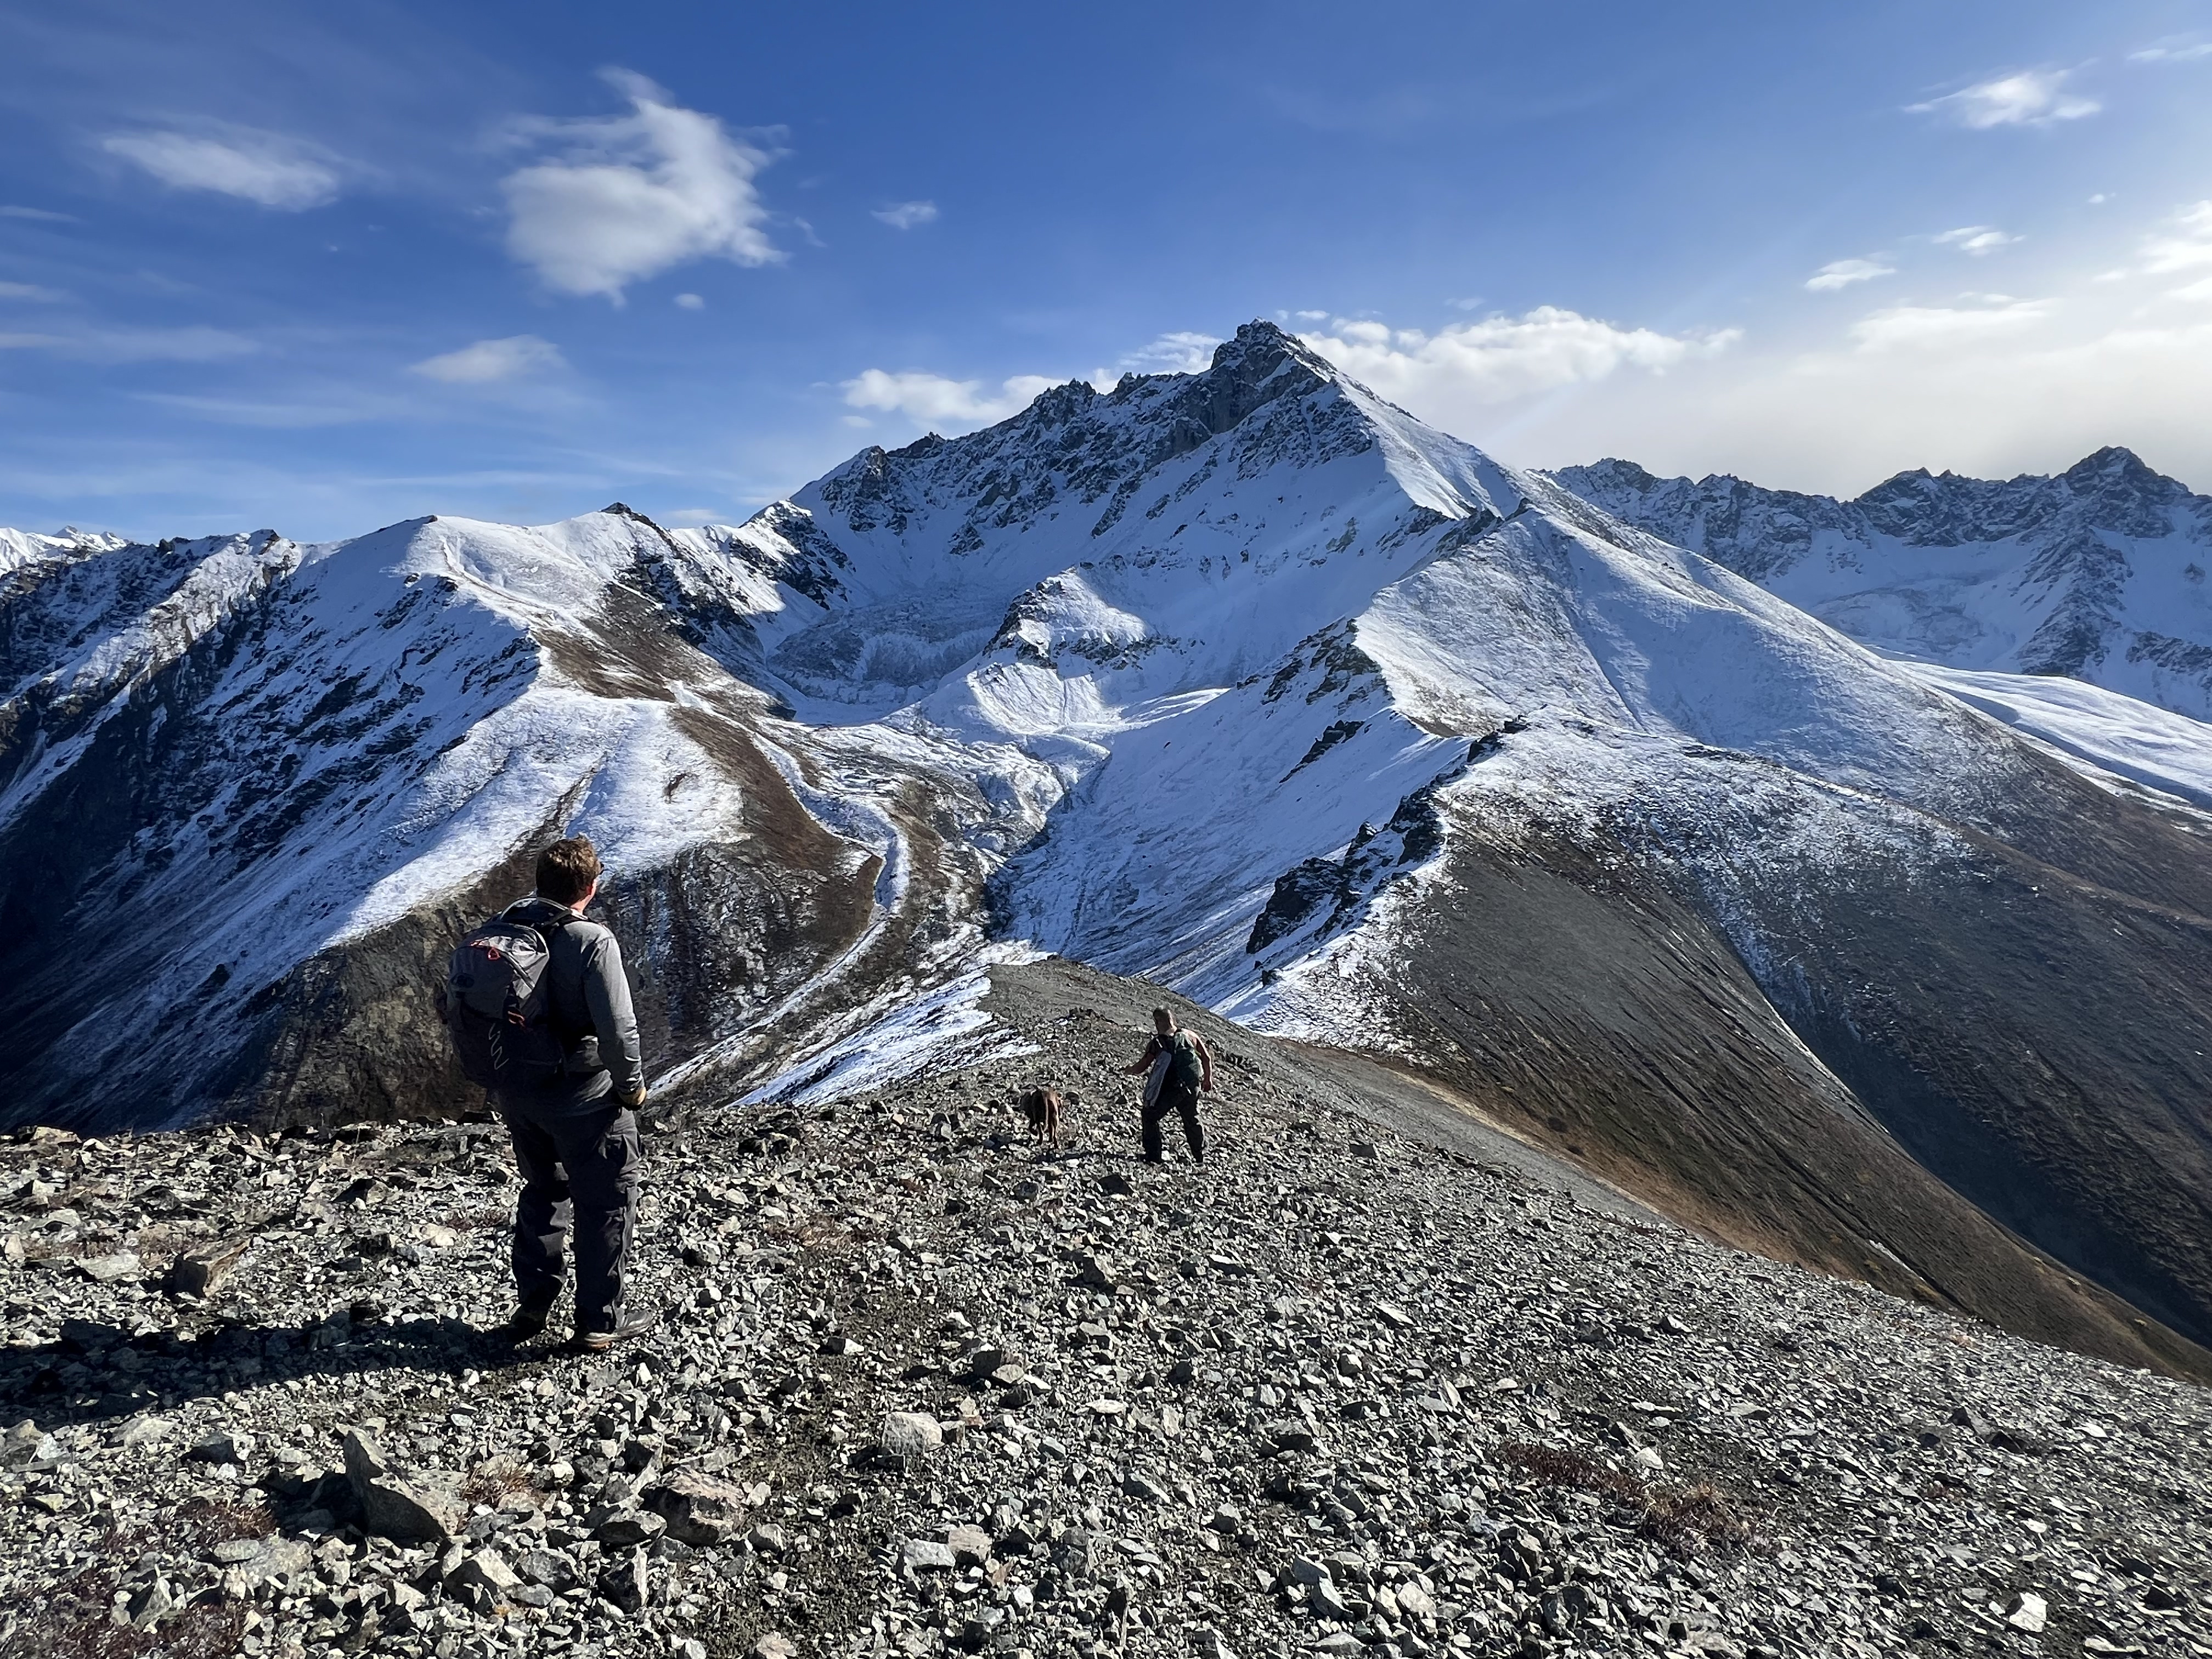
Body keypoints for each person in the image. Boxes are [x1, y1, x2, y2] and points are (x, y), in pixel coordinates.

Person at [487, 836, 657, 1351]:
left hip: (520, 1092)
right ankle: (600, 1321)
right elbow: (619, 1029)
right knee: (606, 1202)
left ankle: (535, 1302)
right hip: (586, 1097)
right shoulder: (592, 941)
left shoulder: (504, 930)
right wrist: (631, 1089)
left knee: (543, 1192)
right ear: (590, 885)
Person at [1119, 1006, 1215, 1165]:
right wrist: (1208, 1079)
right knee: (1192, 1118)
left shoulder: (1158, 1043)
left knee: (1150, 1116)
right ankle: (1199, 1156)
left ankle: (1153, 1157)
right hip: (1192, 1085)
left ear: (1159, 1021)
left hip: (1171, 1089)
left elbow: (1141, 1067)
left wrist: (1127, 1071)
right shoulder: (1190, 1035)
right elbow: (1206, 1058)